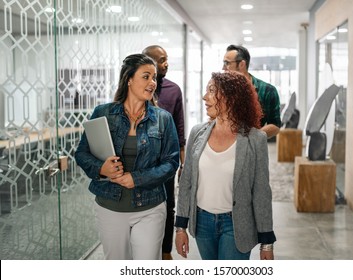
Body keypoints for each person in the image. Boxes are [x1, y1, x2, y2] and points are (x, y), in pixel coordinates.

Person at [75, 54, 180, 260]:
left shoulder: (163, 119)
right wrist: (100, 168)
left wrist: (137, 178)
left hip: (150, 207)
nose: (152, 83)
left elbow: (171, 163)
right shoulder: (103, 112)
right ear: (129, 79)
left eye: (155, 78)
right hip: (110, 207)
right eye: (146, 76)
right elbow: (81, 153)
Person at [174, 71, 276, 260]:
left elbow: (261, 191)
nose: (205, 97)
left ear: (232, 97)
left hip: (236, 224)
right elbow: (186, 181)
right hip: (202, 222)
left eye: (212, 91)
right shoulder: (197, 133)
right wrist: (180, 226)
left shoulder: (255, 139)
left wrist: (266, 242)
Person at [142, 45, 186, 260]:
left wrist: (182, 164)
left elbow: (180, 129)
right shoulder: (137, 88)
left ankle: (165, 251)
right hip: (140, 161)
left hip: (166, 160)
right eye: (161, 60)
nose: (165, 63)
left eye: (166, 59)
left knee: (168, 205)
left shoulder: (174, 90)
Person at [222, 44, 281, 138]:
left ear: (242, 64)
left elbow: (275, 125)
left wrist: (251, 139)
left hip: (253, 149)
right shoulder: (222, 90)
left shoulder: (267, 91)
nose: (223, 68)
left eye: (227, 63)